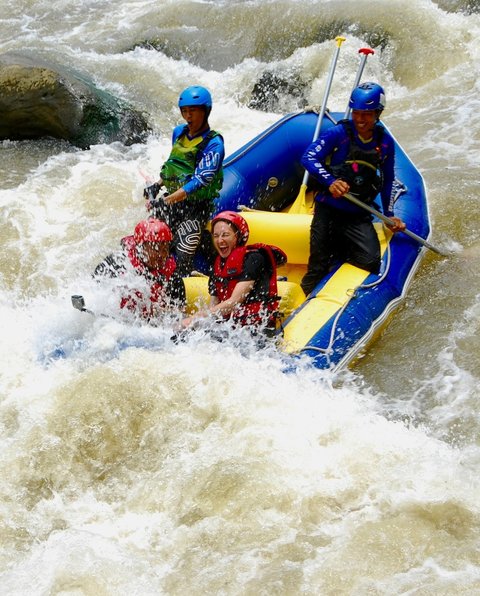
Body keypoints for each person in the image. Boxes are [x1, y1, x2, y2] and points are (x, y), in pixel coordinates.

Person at [300, 82, 406, 296]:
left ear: (378, 113)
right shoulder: (339, 133)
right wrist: (330, 181)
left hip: (357, 213)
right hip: (328, 210)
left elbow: (387, 180)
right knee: (318, 266)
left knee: (370, 260)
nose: (360, 119)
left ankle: (340, 258)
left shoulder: (384, 143)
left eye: (366, 114)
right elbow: (308, 157)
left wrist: (390, 215)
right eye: (357, 113)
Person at [144, 85, 225, 277]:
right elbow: (177, 166)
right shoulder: (178, 132)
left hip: (196, 205)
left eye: (193, 111)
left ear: (205, 112)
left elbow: (200, 179)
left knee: (184, 249)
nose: (188, 116)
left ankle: (182, 282)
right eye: (185, 111)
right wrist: (157, 185)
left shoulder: (214, 143)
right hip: (173, 200)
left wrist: (168, 200)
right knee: (150, 240)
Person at [181, 211, 287, 335]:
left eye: (225, 235)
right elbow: (214, 306)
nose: (220, 240)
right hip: (233, 328)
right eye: (216, 236)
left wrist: (195, 318)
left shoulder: (254, 258)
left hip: (257, 329)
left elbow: (234, 301)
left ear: (238, 236)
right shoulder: (218, 266)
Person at [93, 218, 186, 322]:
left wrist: (161, 312)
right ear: (140, 248)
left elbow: (179, 311)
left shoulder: (172, 274)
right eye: (156, 248)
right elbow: (95, 291)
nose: (162, 255)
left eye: (165, 249)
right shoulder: (117, 264)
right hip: (120, 320)